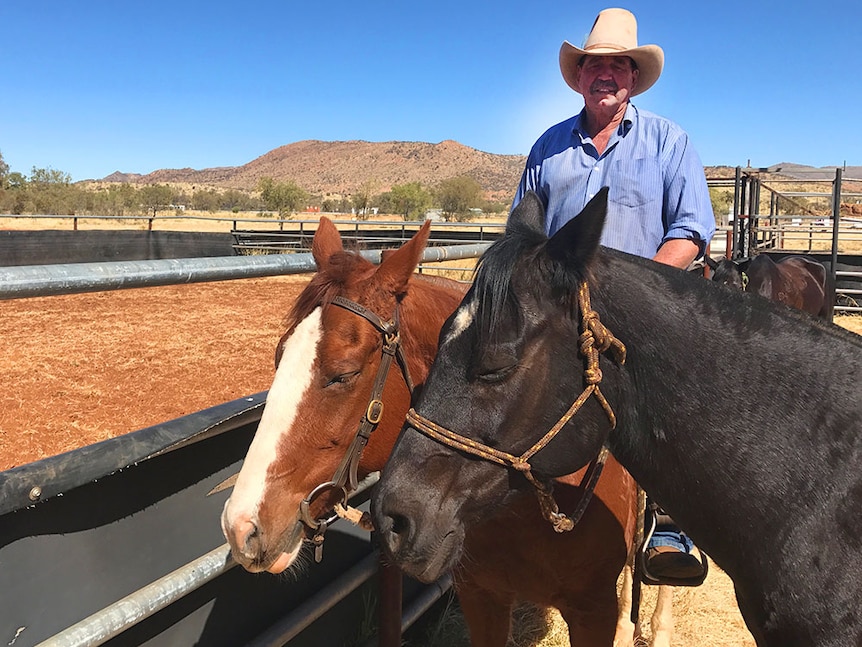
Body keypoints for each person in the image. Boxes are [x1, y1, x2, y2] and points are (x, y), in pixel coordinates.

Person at [511, 7, 715, 584]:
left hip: (646, 307)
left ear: (633, 76)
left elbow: (692, 231)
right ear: (579, 76)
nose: (606, 75)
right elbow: (523, 232)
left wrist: (638, 290)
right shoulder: (547, 149)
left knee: (674, 403)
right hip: (560, 311)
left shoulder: (668, 142)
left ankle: (672, 520)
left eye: (618, 65)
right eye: (594, 65)